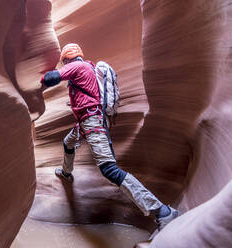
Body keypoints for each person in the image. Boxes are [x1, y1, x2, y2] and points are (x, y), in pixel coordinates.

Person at [40, 43, 179, 233]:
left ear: (67, 58)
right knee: (68, 142)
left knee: (109, 170)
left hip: (92, 122)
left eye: (64, 61)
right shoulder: (87, 66)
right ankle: (66, 172)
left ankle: (162, 211)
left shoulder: (77, 66)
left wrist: (35, 79)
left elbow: (52, 78)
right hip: (85, 122)